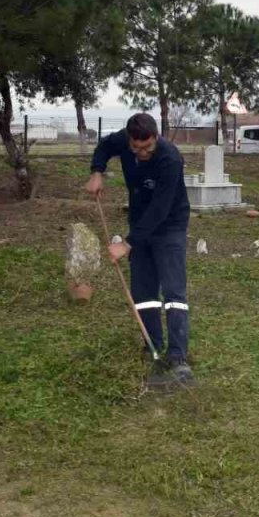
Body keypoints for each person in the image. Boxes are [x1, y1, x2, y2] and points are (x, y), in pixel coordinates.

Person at [86, 113, 194, 386]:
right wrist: (97, 171)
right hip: (138, 223)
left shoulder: (170, 159)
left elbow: (160, 208)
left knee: (173, 291)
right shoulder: (124, 140)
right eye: (136, 148)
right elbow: (104, 147)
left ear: (156, 137)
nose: (142, 153)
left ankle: (178, 356)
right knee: (143, 292)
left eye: (147, 147)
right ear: (130, 140)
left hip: (169, 225)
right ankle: (152, 345)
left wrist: (127, 243)